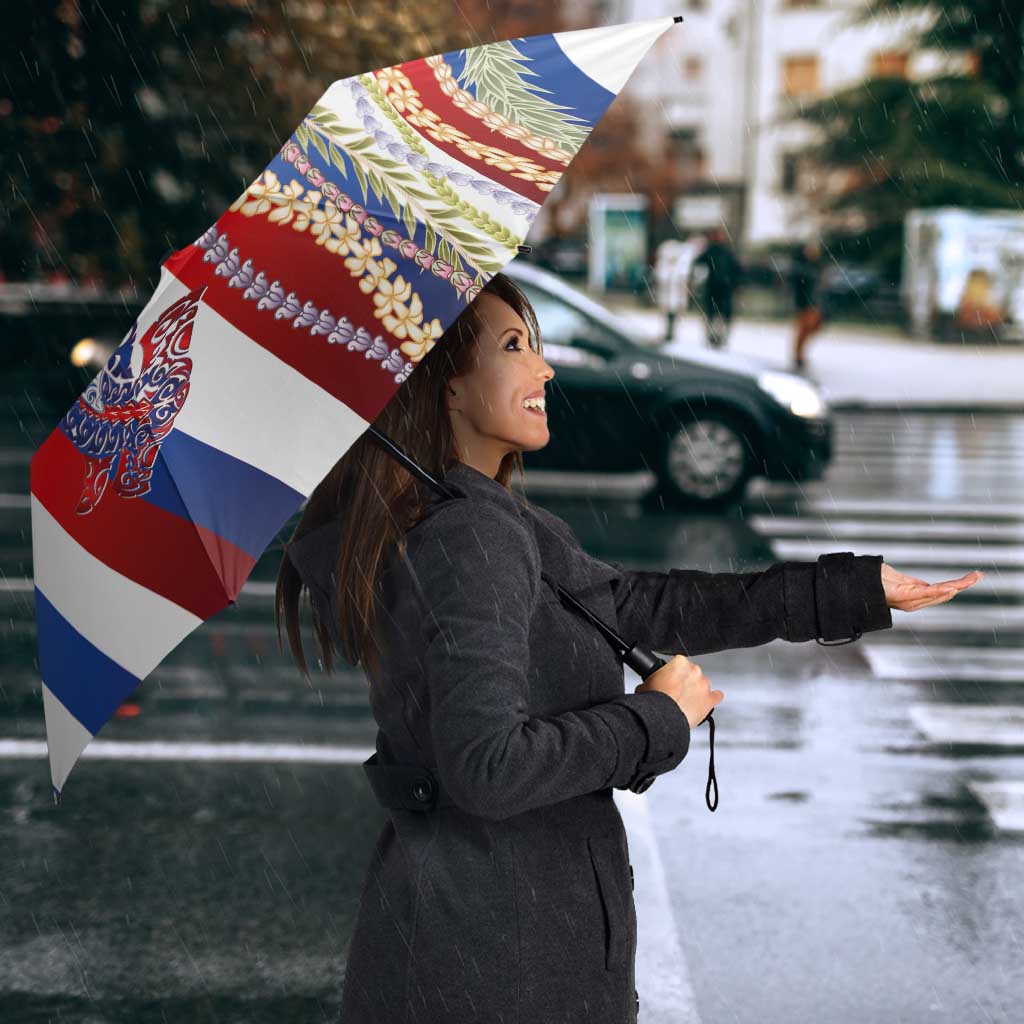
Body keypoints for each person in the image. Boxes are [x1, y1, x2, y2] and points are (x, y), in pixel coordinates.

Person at [276, 272, 974, 1024]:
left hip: (481, 941)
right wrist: (656, 719)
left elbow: (640, 605)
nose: (544, 368)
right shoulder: (470, 536)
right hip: (500, 963)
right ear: (446, 386)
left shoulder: (476, 517)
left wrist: (849, 591)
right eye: (515, 346)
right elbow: (487, 768)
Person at [692, 226, 742, 349]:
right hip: (715, 288)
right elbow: (698, 264)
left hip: (723, 288)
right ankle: (713, 337)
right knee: (713, 314)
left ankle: (719, 337)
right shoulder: (712, 251)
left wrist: (735, 284)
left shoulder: (725, 252)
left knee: (720, 315)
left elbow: (736, 270)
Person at [790, 239, 826, 371]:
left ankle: (800, 354)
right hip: (805, 303)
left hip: (814, 303)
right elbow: (799, 286)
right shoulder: (802, 267)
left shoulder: (817, 266)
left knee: (812, 328)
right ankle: (798, 355)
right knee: (804, 329)